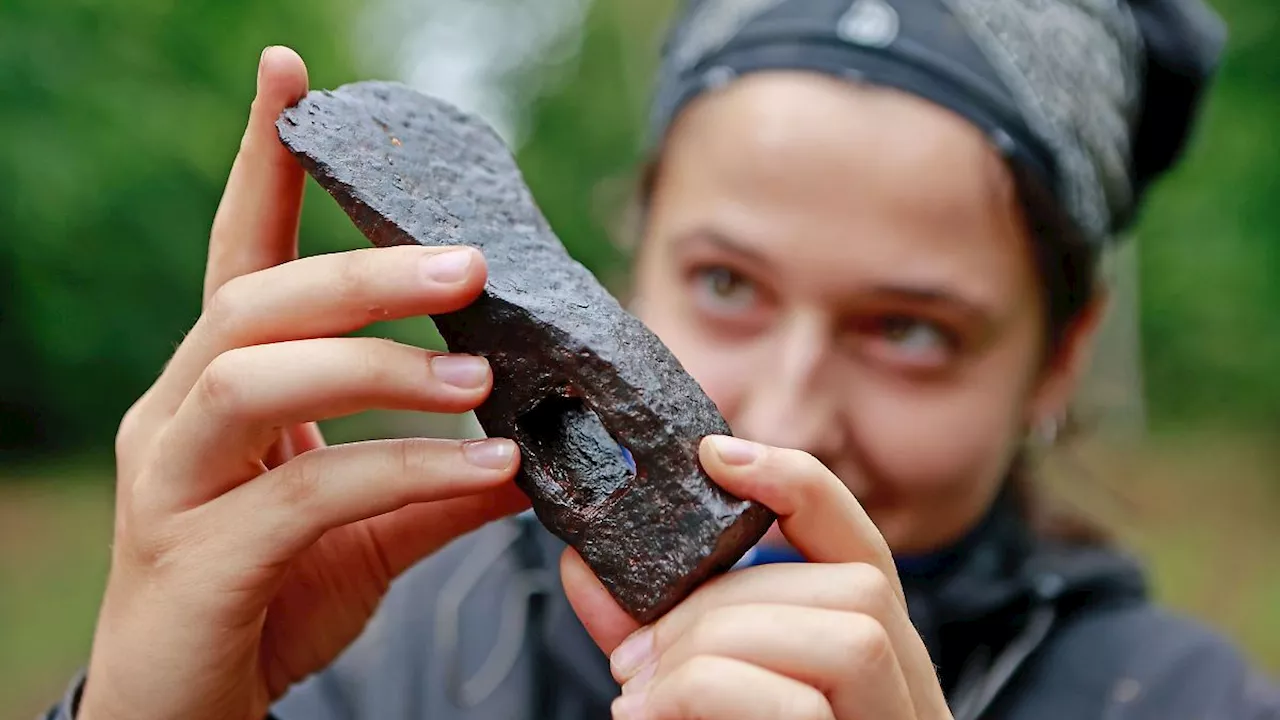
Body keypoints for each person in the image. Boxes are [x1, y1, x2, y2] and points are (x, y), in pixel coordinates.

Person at [43, 1, 1280, 719]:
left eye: (910, 332)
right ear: (625, 257)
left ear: (1058, 357)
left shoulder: (1185, 704)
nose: (785, 420)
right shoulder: (387, 662)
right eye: (725, 285)